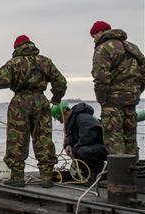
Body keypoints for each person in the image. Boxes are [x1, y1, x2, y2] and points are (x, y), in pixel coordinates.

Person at [0, 35, 67, 188]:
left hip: (20, 103)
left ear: (16, 47)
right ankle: (46, 177)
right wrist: (56, 98)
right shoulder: (45, 61)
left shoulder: (14, 63)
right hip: (41, 101)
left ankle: (17, 177)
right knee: (43, 138)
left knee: (17, 139)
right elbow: (61, 82)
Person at [90, 21, 145, 156]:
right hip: (131, 100)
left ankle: (119, 175)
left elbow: (100, 78)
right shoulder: (133, 48)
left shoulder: (103, 49)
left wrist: (102, 99)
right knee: (130, 139)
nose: (94, 39)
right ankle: (132, 171)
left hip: (112, 102)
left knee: (114, 139)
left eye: (94, 36)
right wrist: (137, 91)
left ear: (100, 33)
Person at [51, 101, 107, 180]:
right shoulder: (73, 120)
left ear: (65, 113)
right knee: (78, 150)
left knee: (82, 151)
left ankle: (101, 171)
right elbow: (69, 135)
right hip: (95, 147)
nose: (61, 122)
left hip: (106, 147)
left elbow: (88, 137)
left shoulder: (83, 118)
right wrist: (68, 145)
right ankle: (88, 171)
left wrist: (74, 150)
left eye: (60, 119)